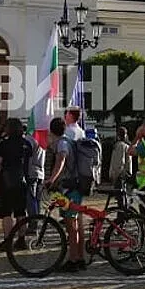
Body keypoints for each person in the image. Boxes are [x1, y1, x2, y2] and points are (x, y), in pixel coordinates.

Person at [45, 113, 86, 271]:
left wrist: (51, 179)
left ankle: (73, 260)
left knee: (71, 225)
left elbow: (61, 161)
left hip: (70, 188)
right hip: (75, 186)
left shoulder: (62, 144)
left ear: (51, 132)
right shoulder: (68, 141)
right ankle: (80, 258)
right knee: (77, 224)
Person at [0, 118, 31, 252]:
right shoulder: (26, 144)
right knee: (21, 211)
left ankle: (8, 240)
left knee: (6, 212)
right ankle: (21, 239)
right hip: (22, 180)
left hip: (6, 180)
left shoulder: (4, 144)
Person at [22, 121, 45, 224]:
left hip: (31, 172)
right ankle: (38, 220)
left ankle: (33, 223)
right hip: (40, 172)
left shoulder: (29, 140)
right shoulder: (42, 140)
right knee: (37, 199)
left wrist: (24, 173)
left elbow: (26, 158)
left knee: (31, 199)